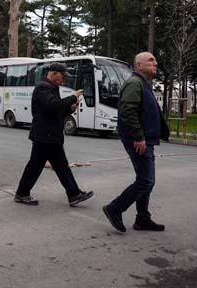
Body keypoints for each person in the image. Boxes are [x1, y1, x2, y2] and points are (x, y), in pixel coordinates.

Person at [103, 52, 169, 233]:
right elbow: (127, 111)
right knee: (146, 181)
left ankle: (142, 219)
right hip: (139, 140)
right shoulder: (135, 83)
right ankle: (114, 208)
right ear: (138, 65)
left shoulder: (142, 83)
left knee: (146, 180)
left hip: (145, 139)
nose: (155, 63)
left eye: (155, 60)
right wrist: (139, 137)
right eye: (150, 60)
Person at [14, 62, 94, 207]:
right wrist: (73, 97)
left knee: (61, 167)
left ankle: (74, 194)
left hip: (51, 136)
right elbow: (52, 105)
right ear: (54, 73)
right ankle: (22, 193)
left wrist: (70, 109)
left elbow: (55, 110)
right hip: (45, 135)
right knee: (36, 166)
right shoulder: (42, 87)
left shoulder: (52, 87)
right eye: (62, 77)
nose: (63, 80)